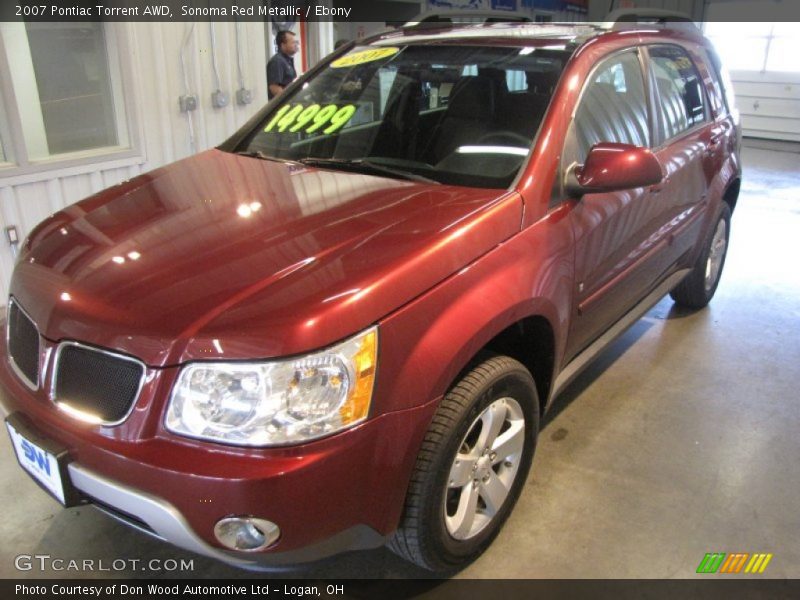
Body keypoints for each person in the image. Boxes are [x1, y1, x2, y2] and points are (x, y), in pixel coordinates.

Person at [267, 30, 299, 100]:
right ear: (283, 45)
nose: (296, 45)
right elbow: (274, 87)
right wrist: (289, 101)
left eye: (296, 42)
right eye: (292, 42)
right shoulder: (277, 61)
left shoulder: (287, 61)